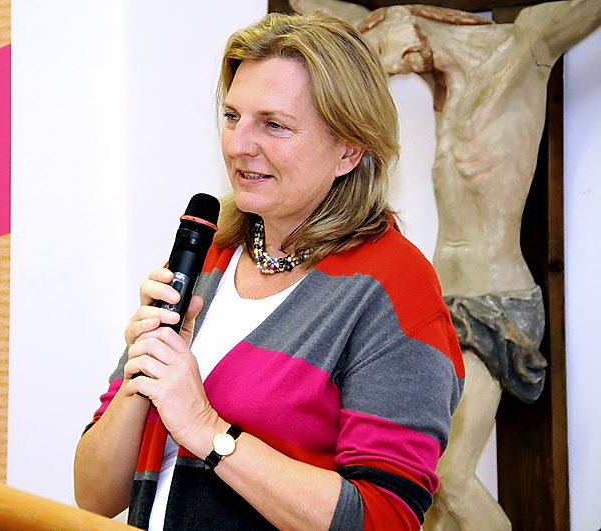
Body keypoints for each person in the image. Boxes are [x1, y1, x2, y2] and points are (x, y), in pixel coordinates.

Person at [74, 12, 463, 530]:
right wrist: (141, 380)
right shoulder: (208, 255)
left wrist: (206, 429)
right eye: (232, 116)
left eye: (273, 124)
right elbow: (93, 495)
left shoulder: (394, 286)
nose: (238, 144)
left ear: (349, 149)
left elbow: (385, 517)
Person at [288, 2, 599, 529]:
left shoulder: (522, 51)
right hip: (438, 302)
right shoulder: (442, 90)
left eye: (379, 54)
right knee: (418, 484)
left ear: (410, 32)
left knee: (449, 475)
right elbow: (327, 15)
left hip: (494, 301)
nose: (379, 70)